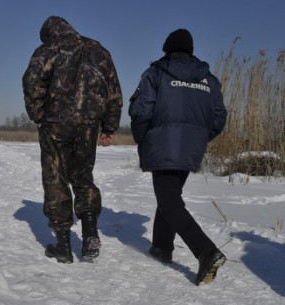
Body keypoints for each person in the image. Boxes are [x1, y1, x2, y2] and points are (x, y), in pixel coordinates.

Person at [129, 29, 228, 285]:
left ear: (167, 49)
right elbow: (219, 118)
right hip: (191, 148)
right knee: (170, 197)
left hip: (162, 145)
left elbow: (141, 112)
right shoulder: (209, 79)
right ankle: (162, 247)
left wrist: (142, 139)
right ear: (190, 50)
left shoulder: (156, 73)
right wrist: (198, 139)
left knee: (169, 200)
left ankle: (206, 252)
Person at [22, 16, 123, 263]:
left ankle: (63, 246)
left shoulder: (48, 49)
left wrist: (38, 115)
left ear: (49, 33)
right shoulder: (99, 50)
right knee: (83, 177)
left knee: (55, 179)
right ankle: (90, 236)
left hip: (55, 123)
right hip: (89, 125)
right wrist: (108, 127)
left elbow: (32, 82)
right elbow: (113, 92)